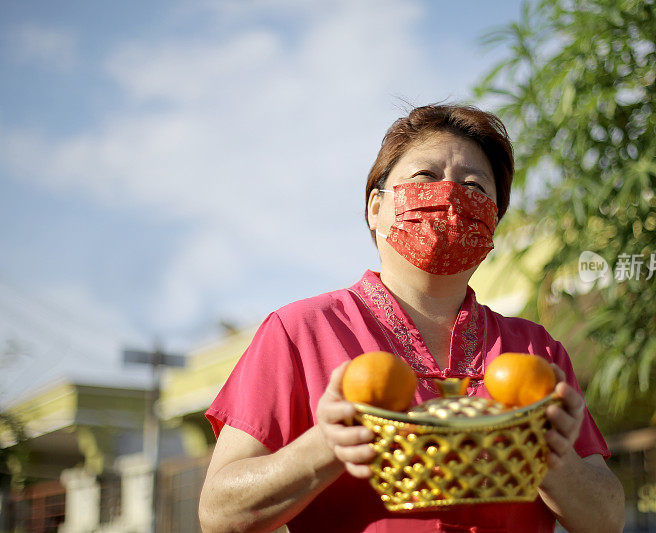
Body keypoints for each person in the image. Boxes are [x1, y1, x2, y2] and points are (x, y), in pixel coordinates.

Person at [198, 104, 625, 533]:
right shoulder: (299, 332)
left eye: (475, 185)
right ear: (374, 208)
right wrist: (327, 444)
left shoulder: (537, 352)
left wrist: (548, 455)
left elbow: (606, 520)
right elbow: (219, 514)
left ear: (493, 223)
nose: (451, 195)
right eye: (425, 176)